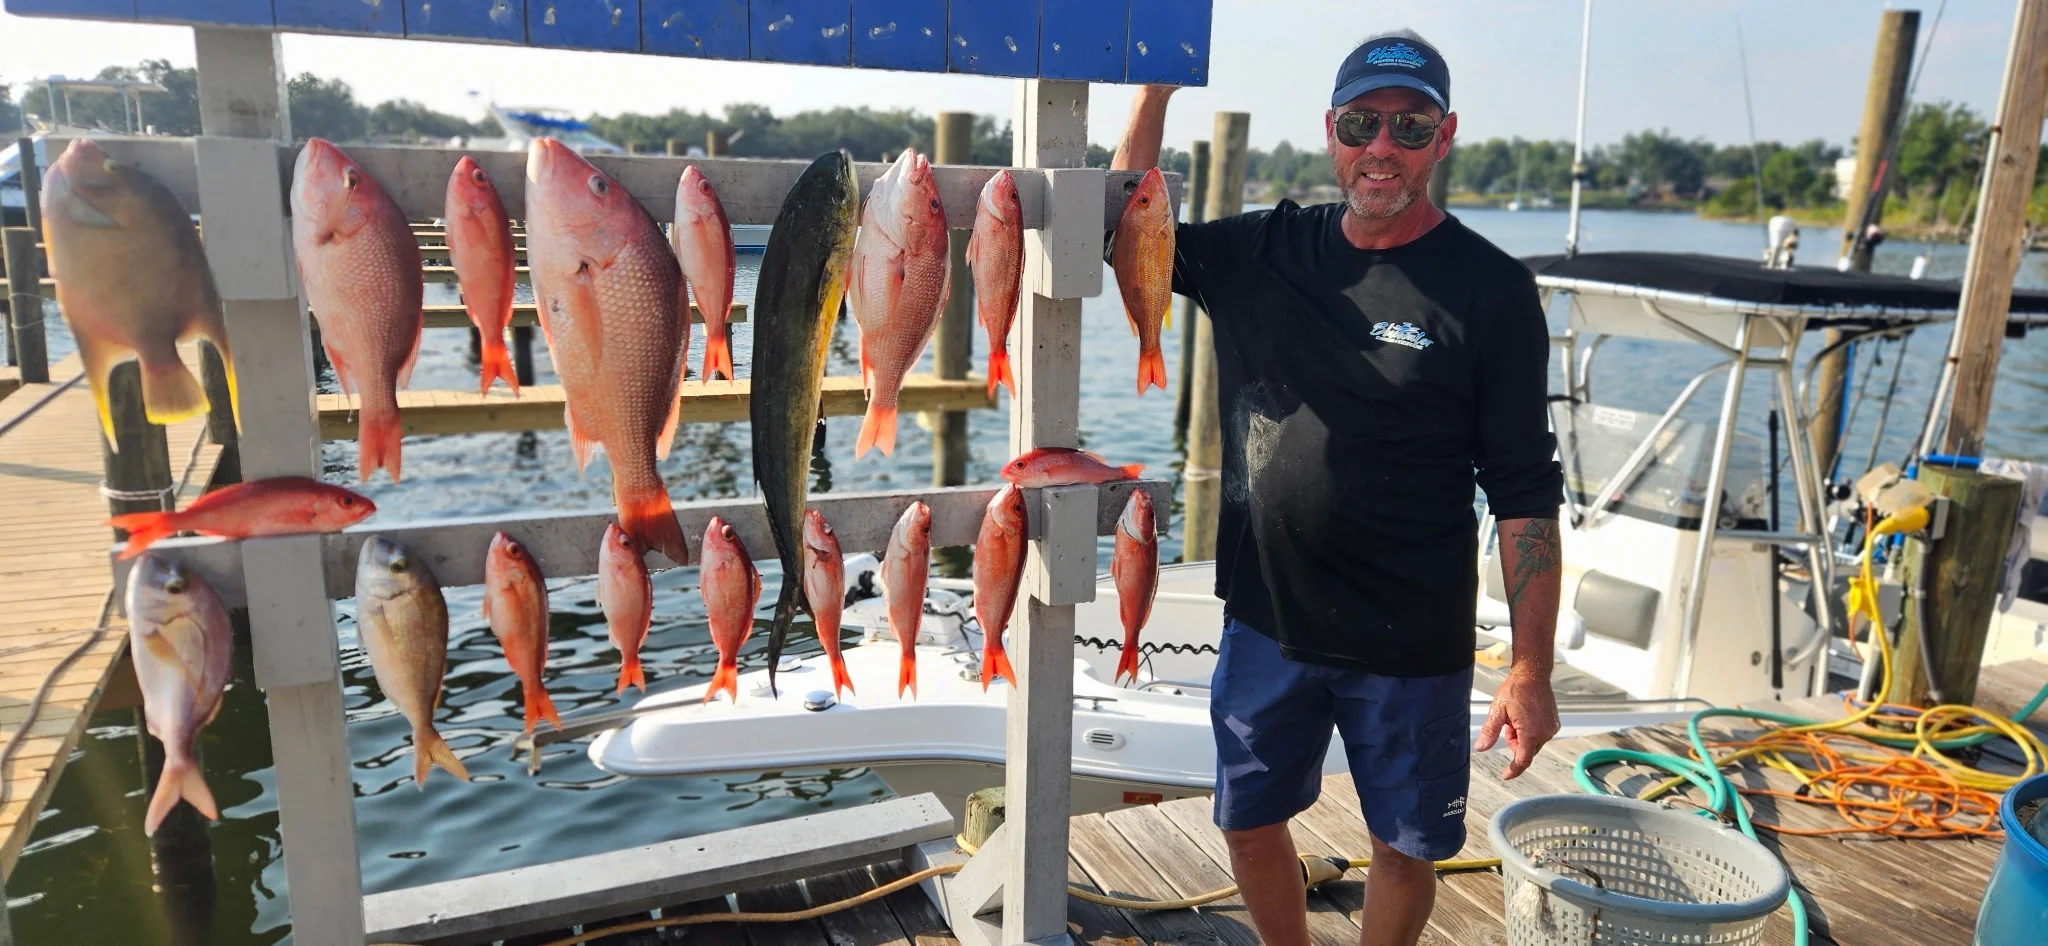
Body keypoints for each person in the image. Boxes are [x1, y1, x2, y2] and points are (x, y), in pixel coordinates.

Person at [1109, 29, 1565, 946]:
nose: (1382, 148)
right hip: (1267, 616)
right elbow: (1129, 229)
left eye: (1409, 126)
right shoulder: (1265, 249)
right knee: (1245, 819)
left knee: (1404, 848)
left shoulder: (1491, 290)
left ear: (1445, 137)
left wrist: (1530, 668)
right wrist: (1153, 99)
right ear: (1331, 131)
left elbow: (1523, 492)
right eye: (1362, 123)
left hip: (1411, 639)